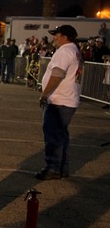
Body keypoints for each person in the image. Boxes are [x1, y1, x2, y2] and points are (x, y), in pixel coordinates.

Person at [35, 25, 82, 180]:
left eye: (56, 35)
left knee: (53, 135)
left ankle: (53, 168)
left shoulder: (65, 51)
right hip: (68, 99)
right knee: (61, 136)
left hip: (59, 100)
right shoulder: (74, 50)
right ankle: (61, 168)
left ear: (64, 36)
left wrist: (44, 94)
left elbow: (57, 74)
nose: (54, 38)